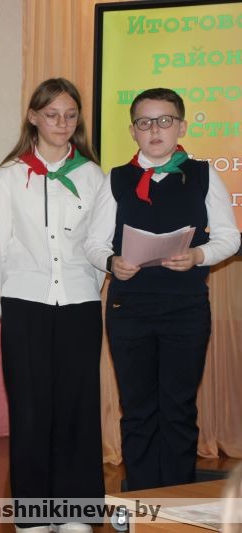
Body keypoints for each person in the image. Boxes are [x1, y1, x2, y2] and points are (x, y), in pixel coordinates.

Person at [85, 88, 240, 491]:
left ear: (182, 127)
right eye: (144, 122)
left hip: (185, 308)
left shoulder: (203, 174)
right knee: (137, 410)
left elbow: (229, 237)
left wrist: (199, 255)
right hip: (129, 308)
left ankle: (176, 502)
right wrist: (111, 262)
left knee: (178, 409)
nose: (155, 130)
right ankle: (142, 503)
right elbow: (94, 243)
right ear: (133, 131)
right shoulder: (117, 178)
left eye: (164, 121)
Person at [0, 78, 107, 533]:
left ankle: (76, 512)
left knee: (78, 407)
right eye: (53, 114)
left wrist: (88, 286)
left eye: (71, 115)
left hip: (79, 304)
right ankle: (34, 515)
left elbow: (99, 246)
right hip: (26, 303)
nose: (62, 123)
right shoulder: (8, 176)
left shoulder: (93, 176)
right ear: (34, 117)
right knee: (30, 408)